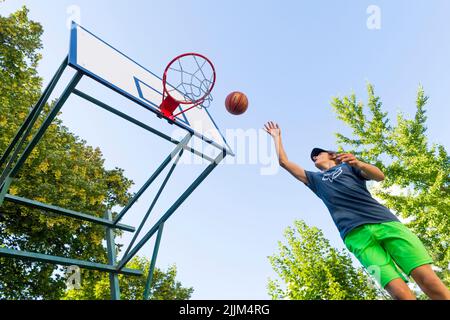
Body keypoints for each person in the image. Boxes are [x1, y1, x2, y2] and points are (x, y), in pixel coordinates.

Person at [264, 121, 450, 300]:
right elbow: (284, 162)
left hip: (385, 223)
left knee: (428, 282)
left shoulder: (349, 167)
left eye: (318, 154)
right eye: (313, 157)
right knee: (400, 294)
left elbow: (379, 176)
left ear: (331, 154)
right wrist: (276, 137)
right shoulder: (315, 180)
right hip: (356, 237)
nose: (314, 157)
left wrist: (359, 163)